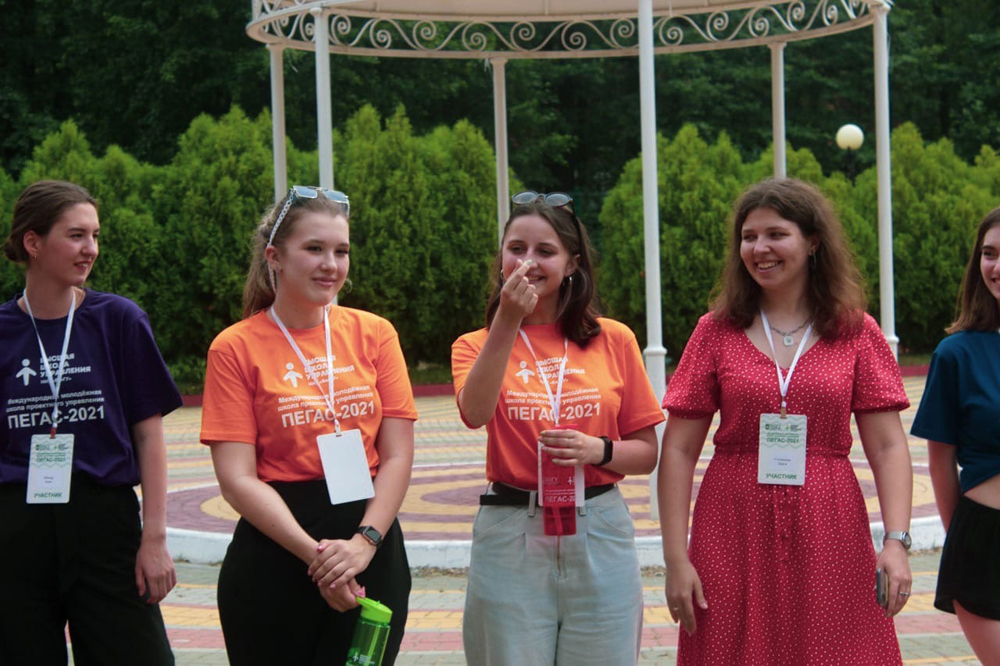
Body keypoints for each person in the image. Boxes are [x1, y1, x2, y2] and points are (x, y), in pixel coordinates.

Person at [658, 178, 914, 664]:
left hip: (830, 523)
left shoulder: (855, 331)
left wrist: (896, 542)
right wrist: (675, 558)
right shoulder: (715, 330)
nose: (760, 249)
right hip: (730, 524)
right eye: (749, 237)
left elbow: (887, 447)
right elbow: (678, 449)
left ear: (813, 241)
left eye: (776, 234)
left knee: (838, 650)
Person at [200, 186, 416, 665]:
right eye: (314, 248)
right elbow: (236, 478)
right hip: (277, 552)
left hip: (370, 545)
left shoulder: (376, 334)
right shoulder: (234, 347)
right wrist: (319, 559)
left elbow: (399, 455)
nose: (331, 265)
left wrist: (364, 544)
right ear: (274, 257)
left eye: (341, 251)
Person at [451, 191, 664, 665]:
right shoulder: (473, 344)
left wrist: (597, 450)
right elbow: (475, 413)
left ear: (572, 264)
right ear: (501, 259)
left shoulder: (613, 338)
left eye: (545, 251)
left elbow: (648, 452)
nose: (527, 261)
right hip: (511, 528)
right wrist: (508, 320)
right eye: (516, 249)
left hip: (599, 524)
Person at [0, 180, 180, 664]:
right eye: (76, 235)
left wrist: (155, 539)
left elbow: (149, 436)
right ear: (33, 243)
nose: (91, 249)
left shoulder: (118, 319)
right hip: (16, 529)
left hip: (106, 525)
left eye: (95, 236)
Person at [910, 206, 1000, 663]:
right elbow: (940, 461)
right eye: (989, 253)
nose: (997, 266)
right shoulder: (955, 354)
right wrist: (960, 541)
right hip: (984, 541)